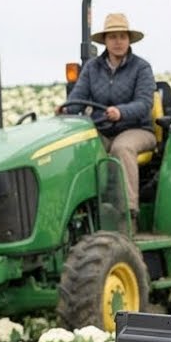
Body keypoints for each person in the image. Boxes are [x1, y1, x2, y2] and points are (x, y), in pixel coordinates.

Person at [62, 13, 157, 216]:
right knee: (78, 147)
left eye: (122, 36)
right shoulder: (92, 67)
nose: (118, 42)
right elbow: (78, 97)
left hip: (136, 128)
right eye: (113, 37)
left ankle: (128, 211)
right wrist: (66, 109)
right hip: (102, 128)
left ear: (129, 40)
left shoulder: (141, 67)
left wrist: (121, 112)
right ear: (105, 41)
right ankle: (80, 209)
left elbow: (144, 104)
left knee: (121, 148)